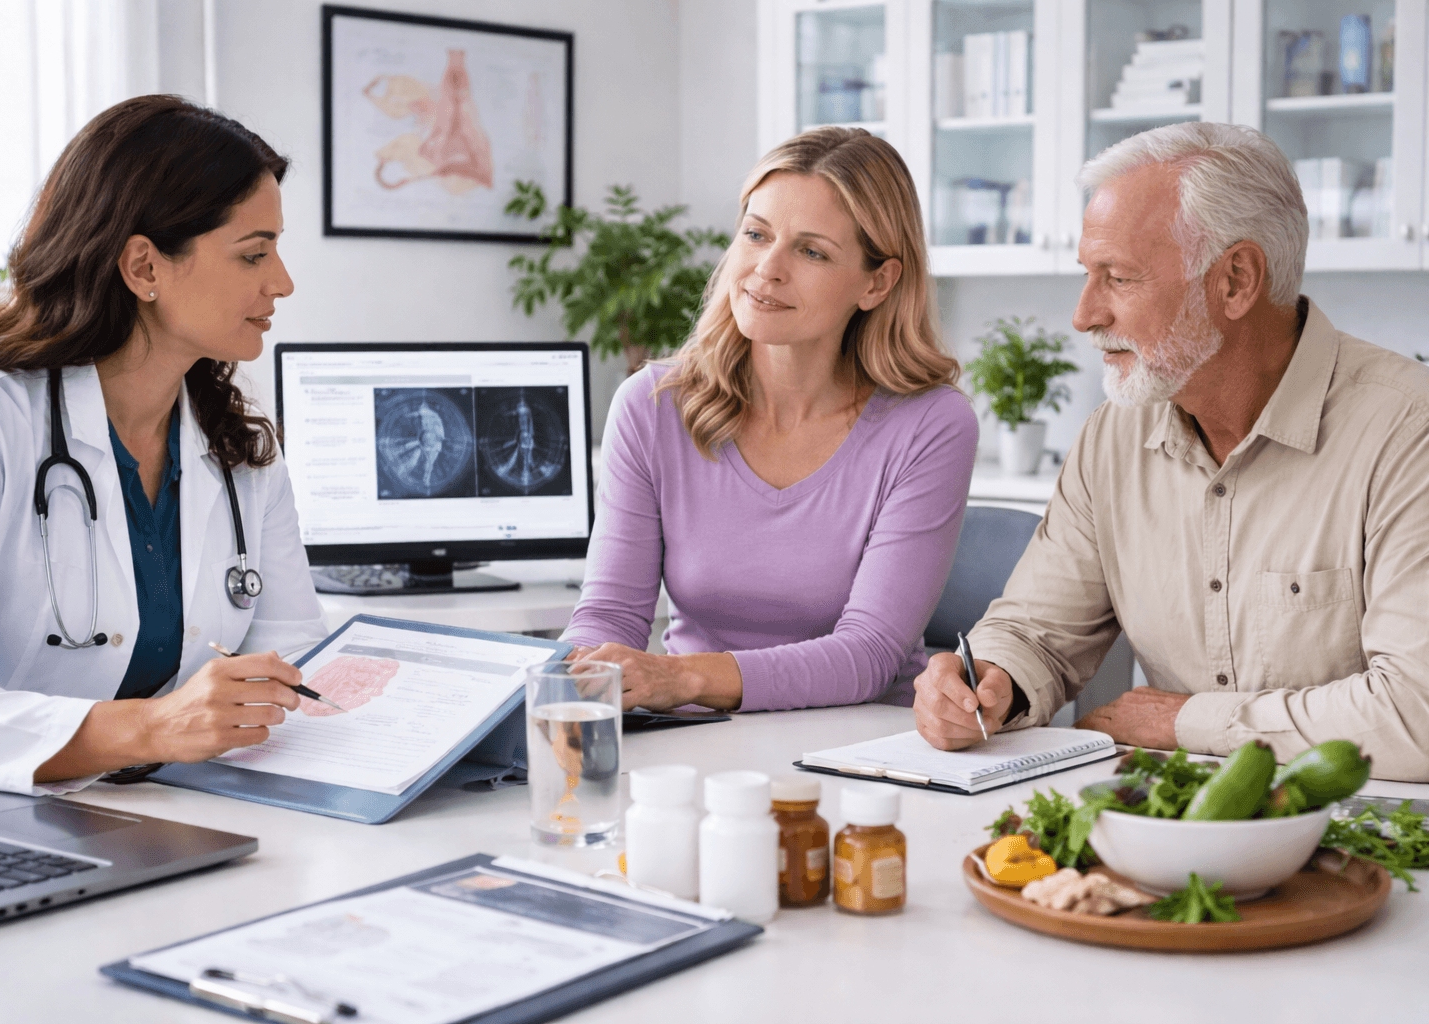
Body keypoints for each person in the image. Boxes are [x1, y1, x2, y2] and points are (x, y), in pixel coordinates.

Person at [911, 122, 1429, 782]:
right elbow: (1038, 630)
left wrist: (1184, 722)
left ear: (1235, 280)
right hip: (1171, 822)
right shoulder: (1113, 437)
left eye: (1118, 277)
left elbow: (1417, 714)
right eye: (1087, 275)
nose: (1084, 314)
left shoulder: (1407, 428)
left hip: (1373, 832)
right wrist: (985, 680)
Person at [0, 95, 329, 795]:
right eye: (255, 254)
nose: (282, 283)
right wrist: (157, 728)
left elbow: (298, 666)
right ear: (144, 268)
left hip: (183, 816)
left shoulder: (240, 451)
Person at [563, 127, 978, 713]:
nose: (766, 269)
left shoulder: (930, 424)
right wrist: (563, 687)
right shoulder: (650, 405)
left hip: (858, 748)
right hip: (696, 741)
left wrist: (683, 679)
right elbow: (608, 617)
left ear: (877, 281)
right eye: (756, 235)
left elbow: (870, 651)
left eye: (811, 251)